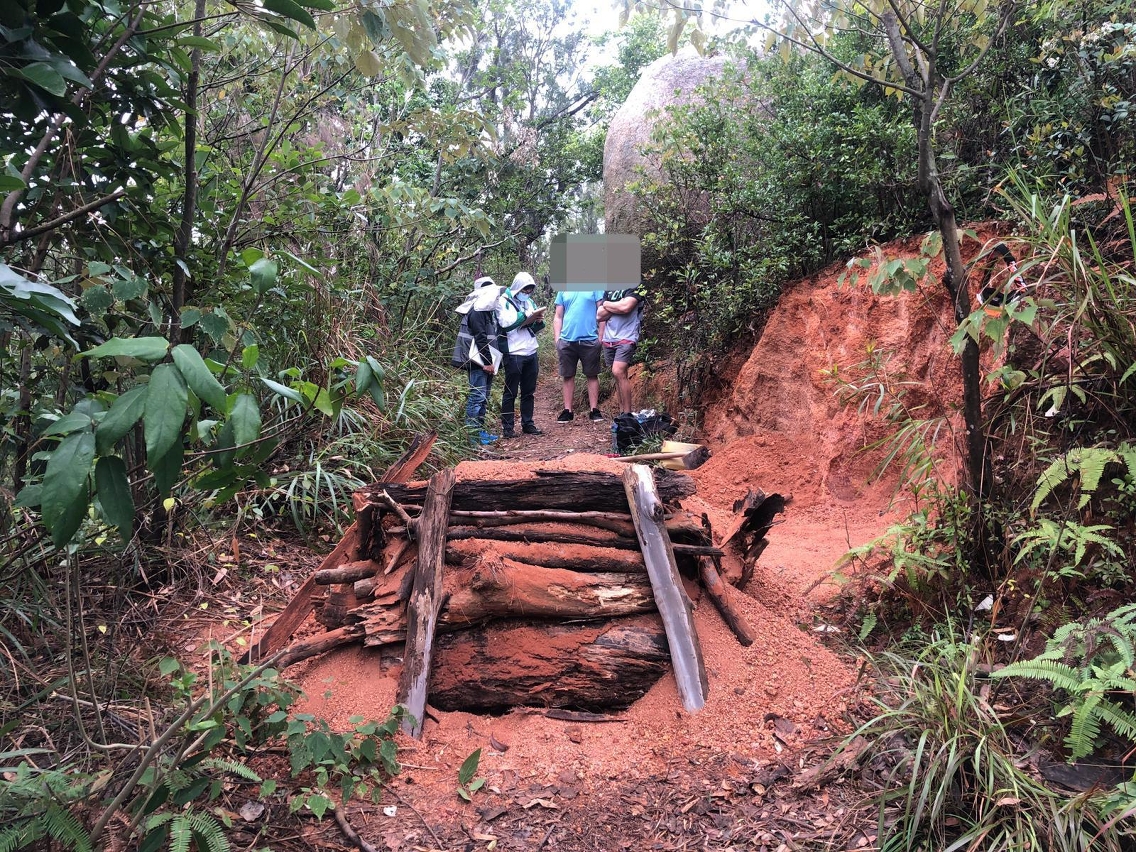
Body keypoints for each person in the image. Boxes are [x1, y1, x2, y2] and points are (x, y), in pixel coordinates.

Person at [451, 275, 503, 445]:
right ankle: (472, 436)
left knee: (483, 397)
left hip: (484, 361)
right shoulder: (477, 311)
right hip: (478, 363)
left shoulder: (486, 312)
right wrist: (487, 362)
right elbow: (480, 338)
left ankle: (480, 432)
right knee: (477, 397)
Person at [497, 272, 545, 437]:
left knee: (528, 391)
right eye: (525, 290)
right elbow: (505, 324)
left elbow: (533, 329)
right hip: (514, 352)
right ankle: (508, 428)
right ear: (518, 288)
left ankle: (528, 423)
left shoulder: (529, 302)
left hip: (530, 350)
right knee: (510, 392)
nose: (527, 293)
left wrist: (538, 321)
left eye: (530, 290)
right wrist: (524, 315)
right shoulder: (503, 302)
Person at [552, 288, 606, 423]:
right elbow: (558, 316)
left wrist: (600, 337)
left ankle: (594, 410)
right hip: (567, 340)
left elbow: (602, 313)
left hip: (590, 339)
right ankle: (567, 411)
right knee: (568, 375)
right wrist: (557, 339)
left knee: (592, 374)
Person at [596, 285, 644, 416]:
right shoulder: (610, 288)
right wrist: (618, 305)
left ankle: (627, 414)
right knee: (618, 376)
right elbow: (599, 315)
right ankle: (622, 412)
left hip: (627, 336)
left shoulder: (635, 286)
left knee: (618, 371)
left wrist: (607, 304)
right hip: (609, 337)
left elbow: (626, 307)